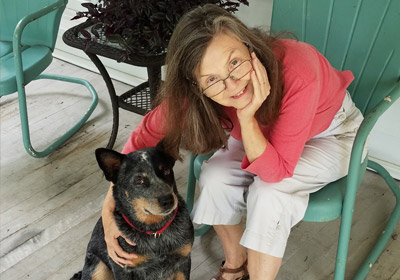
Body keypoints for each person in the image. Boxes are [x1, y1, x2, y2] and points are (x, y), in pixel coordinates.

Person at [101, 4, 366, 280]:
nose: (233, 85)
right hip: (264, 133)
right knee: (214, 176)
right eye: (212, 79)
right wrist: (109, 212)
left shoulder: (299, 70)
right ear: (195, 84)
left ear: (247, 44)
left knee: (269, 193)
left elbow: (275, 173)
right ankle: (236, 263)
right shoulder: (193, 94)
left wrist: (247, 116)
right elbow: (141, 139)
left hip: (331, 133)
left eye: (235, 63)